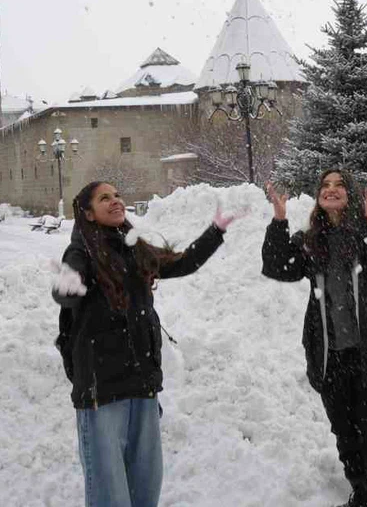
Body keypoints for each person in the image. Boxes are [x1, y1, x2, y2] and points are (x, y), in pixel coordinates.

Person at [52, 181, 235, 507]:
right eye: (104, 198)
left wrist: (216, 230)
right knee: (110, 493)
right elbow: (66, 289)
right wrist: (67, 286)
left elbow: (181, 263)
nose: (115, 201)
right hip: (101, 392)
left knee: (145, 487)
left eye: (117, 195)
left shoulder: (133, 247)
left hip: (142, 384)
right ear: (88, 213)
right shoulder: (81, 252)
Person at [262, 170, 367, 507]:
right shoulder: (312, 240)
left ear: (350, 194)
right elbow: (277, 266)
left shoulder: (365, 231)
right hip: (330, 354)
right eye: (325, 185)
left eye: (339, 185)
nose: (331, 189)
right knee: (344, 429)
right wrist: (279, 219)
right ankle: (360, 487)